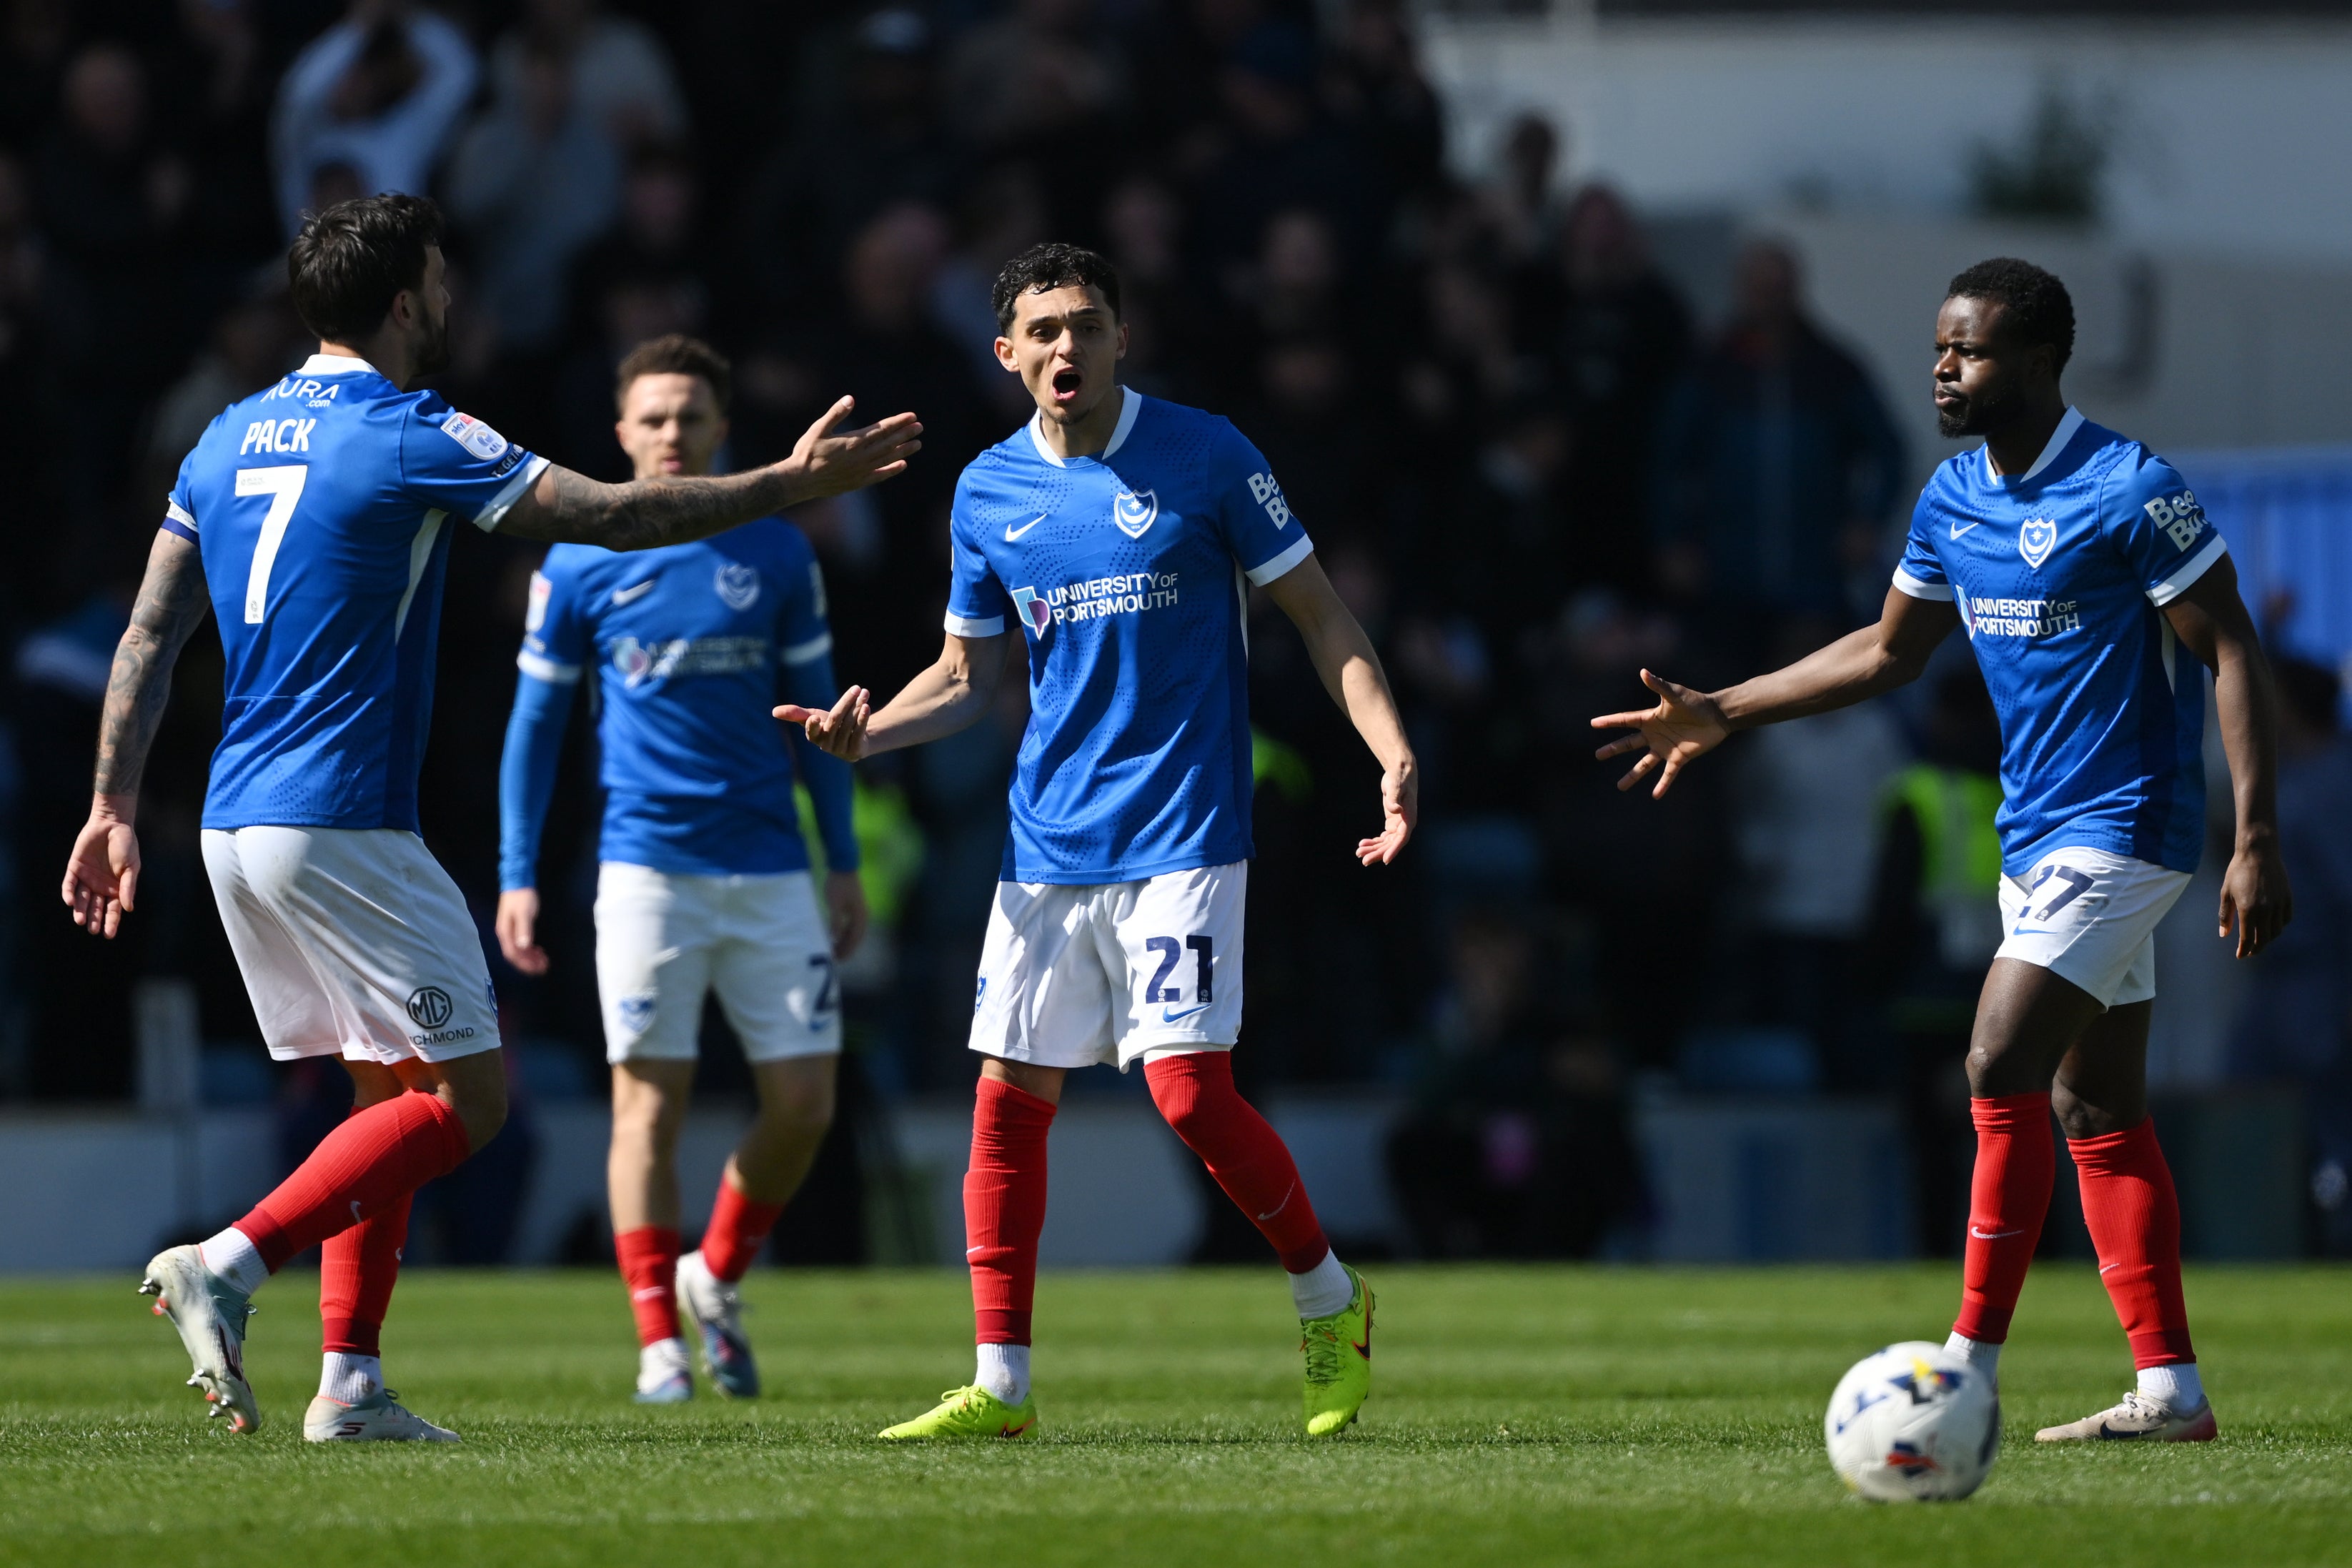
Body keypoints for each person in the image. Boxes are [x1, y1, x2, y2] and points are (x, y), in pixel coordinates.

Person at [60, 193, 919, 1442]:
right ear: (406, 301)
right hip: (342, 816)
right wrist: (786, 481)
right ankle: (234, 1261)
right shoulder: (409, 429)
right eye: (443, 281)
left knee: (388, 1091)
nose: (454, 301)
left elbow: (148, 629)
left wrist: (109, 802)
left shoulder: (223, 436)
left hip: (233, 822)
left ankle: (348, 1381)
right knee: (472, 1102)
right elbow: (613, 516)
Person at [1593, 257, 2291, 1443]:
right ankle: (2170, 1388)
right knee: (2093, 1101)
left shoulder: (2131, 489)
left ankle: (1965, 1366)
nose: (1942, 369)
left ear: (2038, 360)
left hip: (2127, 825)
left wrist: (2255, 835)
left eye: (1965, 350)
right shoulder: (1953, 497)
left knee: (1995, 1058)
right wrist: (1727, 709)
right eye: (1936, 349)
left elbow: (2231, 648)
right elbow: (1884, 652)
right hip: (2035, 840)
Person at [781, 243, 1416, 1441]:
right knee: (1008, 1100)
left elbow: (1320, 612)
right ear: (1008, 353)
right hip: (1047, 845)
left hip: (1184, 827)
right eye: (1045, 329)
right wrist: (869, 735)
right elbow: (969, 678)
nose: (1068, 346)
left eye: (1089, 324)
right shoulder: (986, 492)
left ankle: (1332, 1298)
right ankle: (1002, 1384)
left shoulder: (1207, 455)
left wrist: (1387, 746)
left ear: (1124, 337)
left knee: (1184, 1091)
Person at [495, 334, 867, 1403]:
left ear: (722, 430)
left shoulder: (780, 553)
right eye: (652, 417)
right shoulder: (578, 556)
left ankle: (716, 1271)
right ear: (621, 433)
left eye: (689, 416)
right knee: (645, 1108)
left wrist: (839, 858)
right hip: (645, 868)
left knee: (803, 1105)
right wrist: (518, 871)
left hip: (767, 867)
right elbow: (536, 726)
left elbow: (825, 724)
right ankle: (659, 1336)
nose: (670, 433)